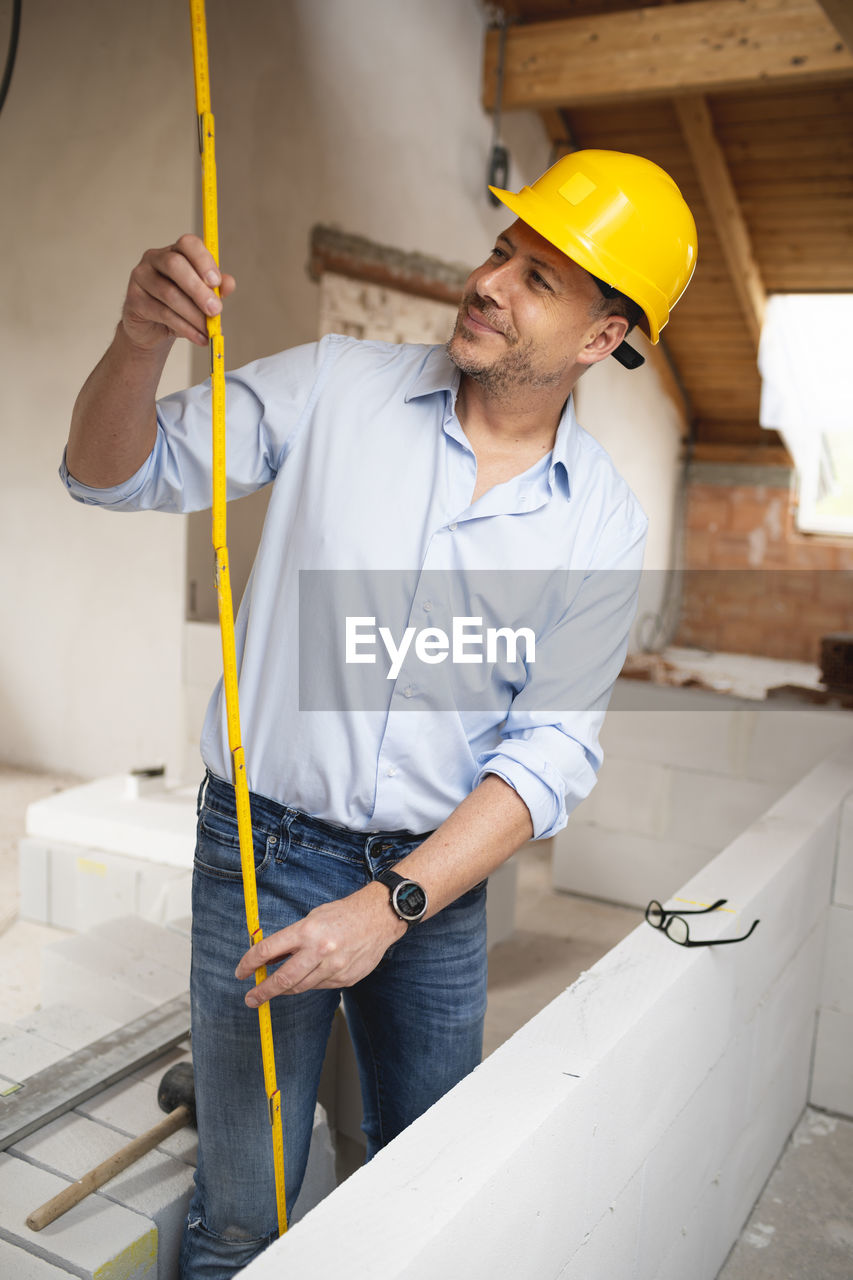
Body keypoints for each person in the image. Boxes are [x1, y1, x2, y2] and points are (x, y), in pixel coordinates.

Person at [62, 149, 697, 1278]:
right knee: (239, 1211)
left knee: (427, 1179)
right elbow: (112, 472)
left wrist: (393, 902)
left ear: (602, 339)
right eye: (504, 248)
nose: (490, 279)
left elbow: (550, 751)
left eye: (540, 279)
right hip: (259, 850)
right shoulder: (332, 387)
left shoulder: (597, 519)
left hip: (435, 880)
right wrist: (137, 337)